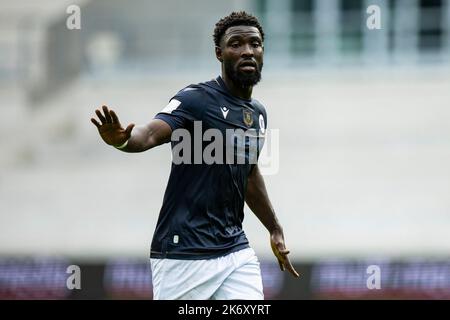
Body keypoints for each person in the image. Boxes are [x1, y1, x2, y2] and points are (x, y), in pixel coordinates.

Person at [91, 11, 299, 300]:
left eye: (255, 43)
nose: (247, 50)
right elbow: (149, 133)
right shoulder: (195, 99)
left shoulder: (258, 114)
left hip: (234, 250)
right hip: (182, 251)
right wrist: (124, 141)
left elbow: (248, 174)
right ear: (219, 53)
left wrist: (274, 227)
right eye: (236, 44)